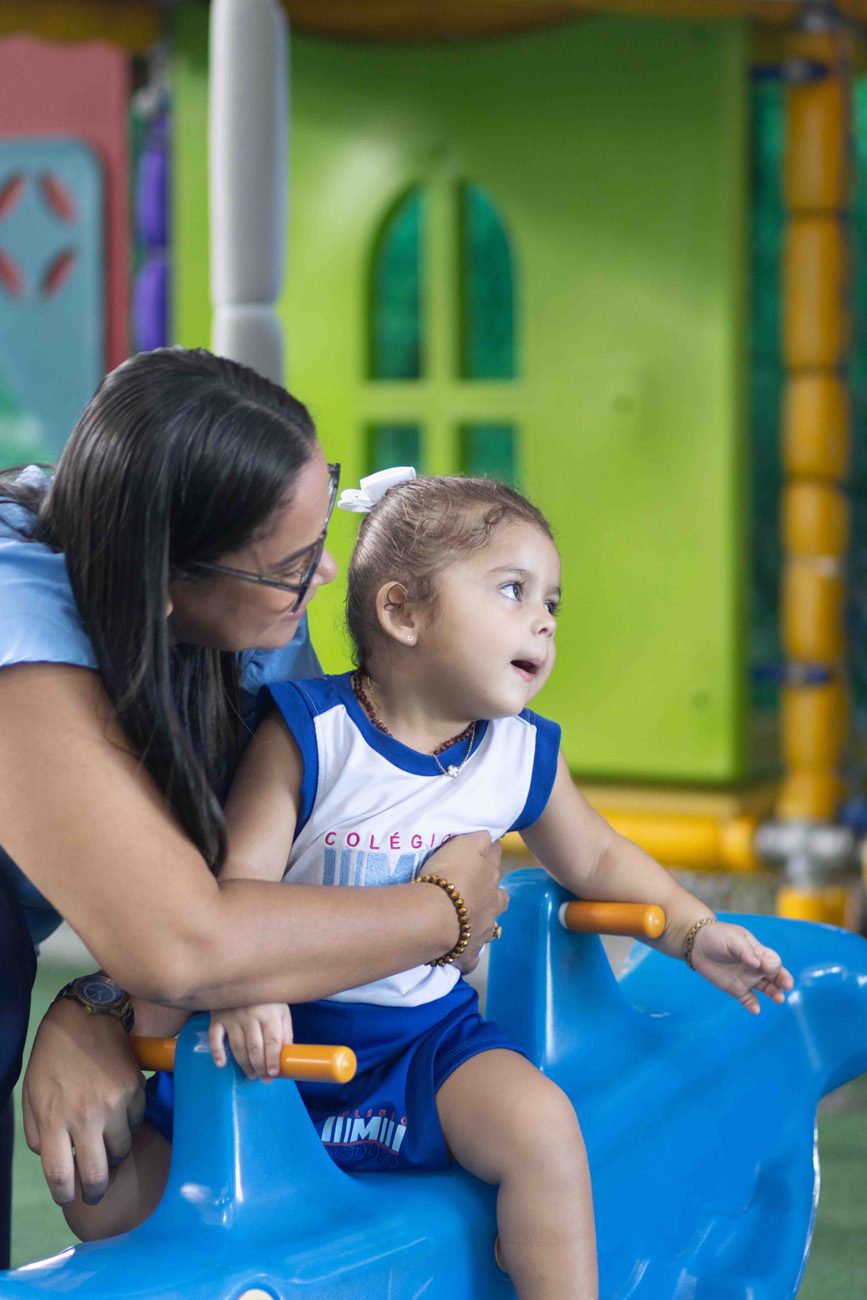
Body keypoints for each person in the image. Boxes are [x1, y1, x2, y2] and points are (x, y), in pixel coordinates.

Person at [64, 472, 794, 1300]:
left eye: (552, 602)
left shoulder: (518, 751)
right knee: (106, 1191)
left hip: (424, 1043)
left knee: (541, 1125)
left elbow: (595, 858)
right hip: (276, 1039)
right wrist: (245, 990)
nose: (544, 621)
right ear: (402, 612)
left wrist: (695, 933)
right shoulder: (309, 732)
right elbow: (242, 883)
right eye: (512, 590)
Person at [0, 352, 507, 1250]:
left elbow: (283, 880)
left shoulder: (227, 599)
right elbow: (185, 943)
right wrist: (445, 913)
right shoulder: (18, 619)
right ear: (165, 584)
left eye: (322, 528)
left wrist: (100, 1001)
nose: (326, 575)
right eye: (293, 565)